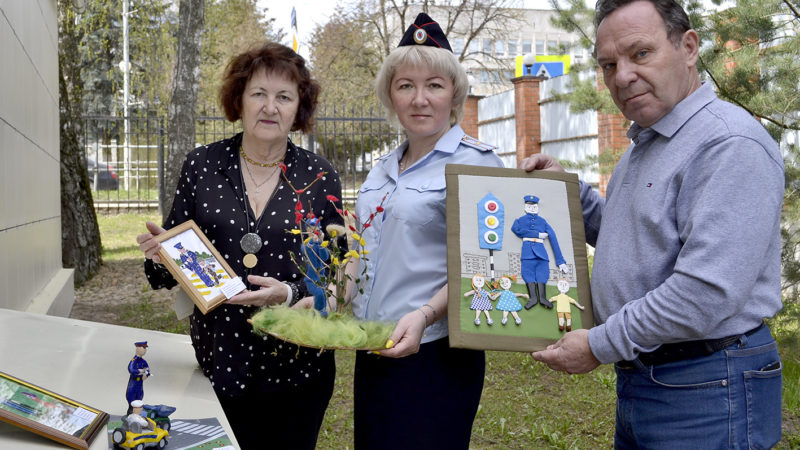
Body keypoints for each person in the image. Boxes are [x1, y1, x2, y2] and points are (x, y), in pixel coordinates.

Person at [523, 0, 784, 447]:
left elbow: (705, 292)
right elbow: (633, 239)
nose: (621, 76)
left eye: (639, 53)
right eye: (608, 64)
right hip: (655, 380)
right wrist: (568, 192)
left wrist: (598, 344)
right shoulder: (652, 139)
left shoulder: (727, 143)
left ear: (688, 47)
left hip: (707, 387)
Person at [135, 42, 344, 449]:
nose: (271, 107)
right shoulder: (202, 166)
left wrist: (290, 293)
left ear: (298, 108)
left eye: (284, 96)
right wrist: (160, 255)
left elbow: (337, 272)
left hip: (298, 367)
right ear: (239, 100)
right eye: (259, 94)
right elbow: (172, 263)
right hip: (218, 361)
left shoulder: (320, 176)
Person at [346, 13, 504, 449]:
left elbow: (488, 265)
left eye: (434, 85)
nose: (420, 99)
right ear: (390, 96)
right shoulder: (383, 167)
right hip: (375, 348)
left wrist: (425, 316)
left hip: (436, 351)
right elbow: (365, 249)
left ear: (453, 94)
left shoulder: (476, 163)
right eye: (405, 85)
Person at [511, 195, 569, 309]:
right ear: (526, 206)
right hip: (527, 252)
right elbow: (516, 230)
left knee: (543, 273)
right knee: (528, 273)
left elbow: (553, 238)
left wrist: (560, 261)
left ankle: (542, 298)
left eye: (534, 206)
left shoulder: (543, 221)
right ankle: (533, 298)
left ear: (537, 207)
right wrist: (536, 234)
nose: (532, 208)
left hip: (541, 253)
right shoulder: (520, 220)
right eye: (530, 206)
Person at [125, 341, 150, 414]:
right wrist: (140, 371)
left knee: (139, 397)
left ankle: (138, 413)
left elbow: (147, 369)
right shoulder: (134, 361)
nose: (145, 350)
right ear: (138, 348)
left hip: (140, 384)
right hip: (133, 384)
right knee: (131, 397)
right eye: (144, 348)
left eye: (146, 348)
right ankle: (130, 412)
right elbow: (131, 369)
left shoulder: (143, 361)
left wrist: (146, 374)